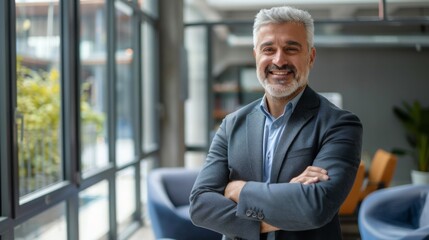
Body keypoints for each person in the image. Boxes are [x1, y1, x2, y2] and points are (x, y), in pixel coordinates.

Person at [189, 5, 363, 240]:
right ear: (256, 56)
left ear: (310, 57)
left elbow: (315, 207)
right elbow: (201, 206)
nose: (279, 60)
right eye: (268, 49)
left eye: (291, 49)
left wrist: (238, 190)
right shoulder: (232, 125)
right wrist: (289, 197)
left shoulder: (340, 125)